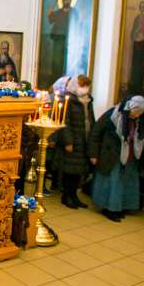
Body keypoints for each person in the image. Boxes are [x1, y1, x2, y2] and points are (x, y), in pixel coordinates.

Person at [88, 95, 144, 222]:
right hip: (112, 155)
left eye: (139, 114)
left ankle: (121, 207)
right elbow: (95, 133)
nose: (136, 116)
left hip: (131, 156)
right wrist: (93, 154)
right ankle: (110, 209)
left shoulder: (142, 119)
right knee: (112, 182)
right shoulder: (112, 115)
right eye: (135, 113)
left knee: (127, 182)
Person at [55, 75, 95, 209]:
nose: (85, 89)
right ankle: (66, 196)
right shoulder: (67, 100)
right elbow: (64, 122)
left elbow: (90, 119)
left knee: (79, 170)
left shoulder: (87, 100)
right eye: (82, 85)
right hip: (73, 140)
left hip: (84, 139)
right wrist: (68, 141)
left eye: (86, 86)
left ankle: (74, 196)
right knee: (70, 169)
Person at [47, 0, 77, 85]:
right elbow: (49, 15)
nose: (67, 1)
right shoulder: (59, 12)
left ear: (71, 1)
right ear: (63, 1)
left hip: (70, 39)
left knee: (69, 61)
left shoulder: (73, 12)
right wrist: (54, 2)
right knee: (57, 61)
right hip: (58, 39)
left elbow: (78, 24)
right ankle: (55, 80)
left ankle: (67, 81)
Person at [129, 1, 144, 94]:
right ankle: (134, 86)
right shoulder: (137, 18)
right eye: (141, 6)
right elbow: (132, 33)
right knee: (136, 67)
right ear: (139, 7)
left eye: (143, 7)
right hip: (137, 45)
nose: (142, 8)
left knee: (141, 67)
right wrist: (137, 31)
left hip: (143, 46)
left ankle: (140, 86)